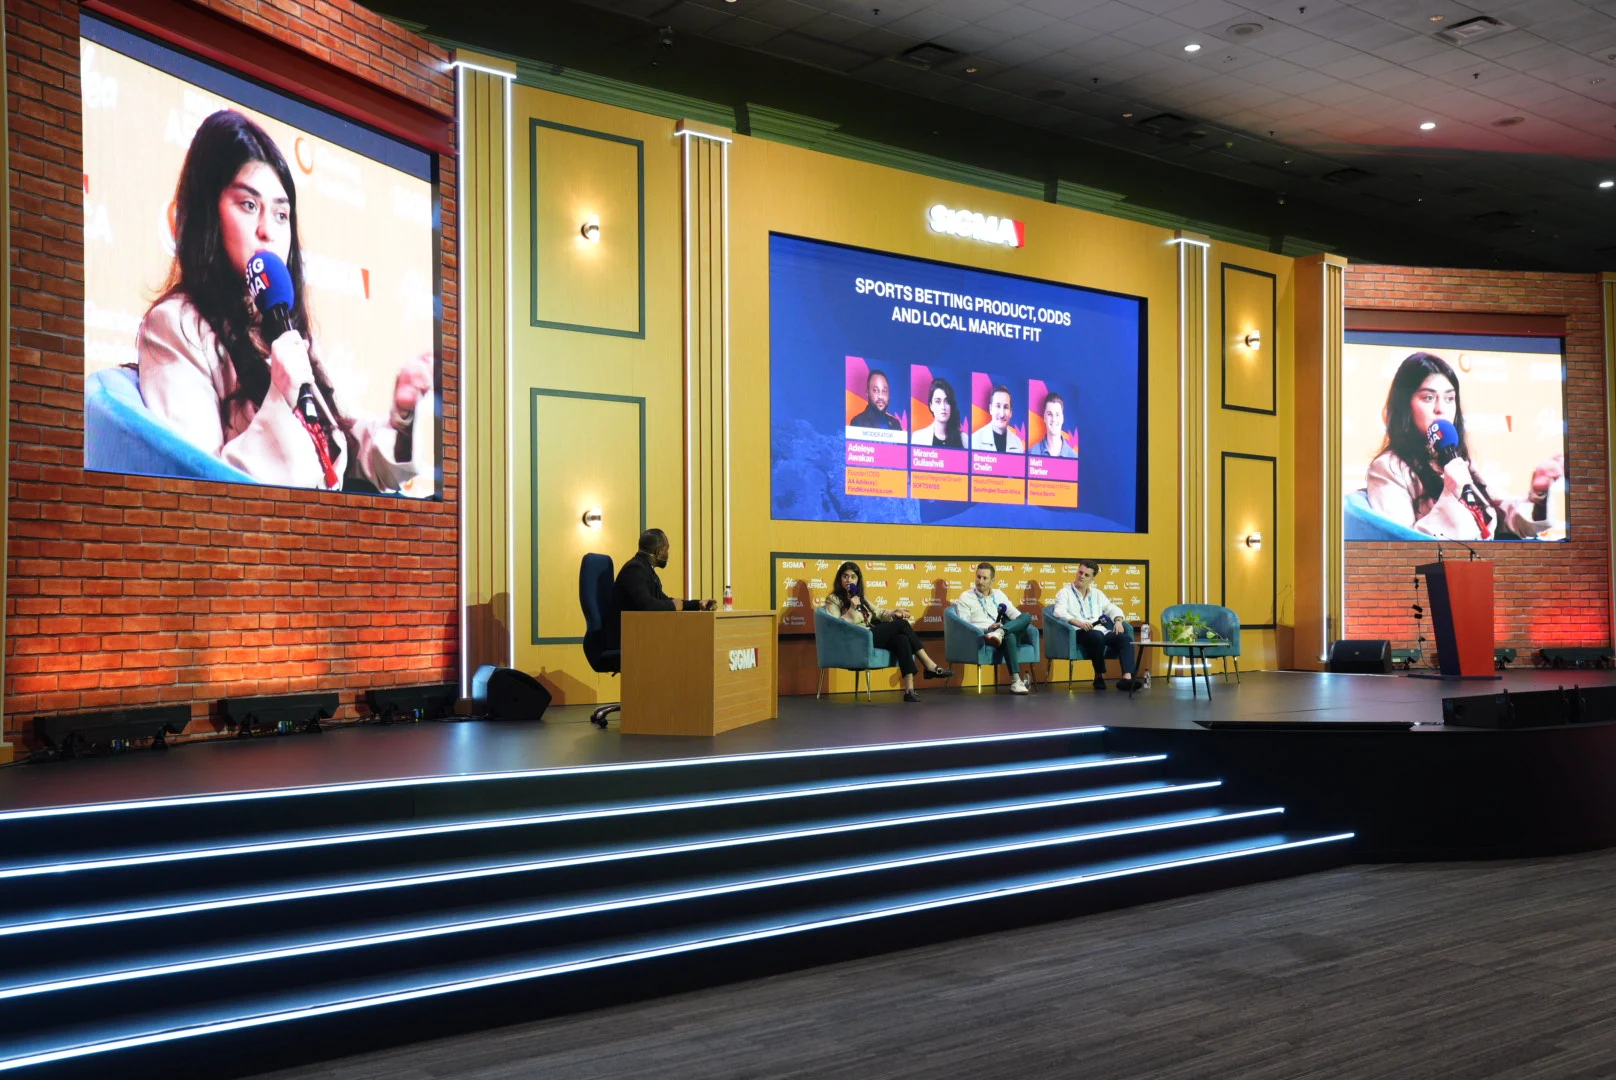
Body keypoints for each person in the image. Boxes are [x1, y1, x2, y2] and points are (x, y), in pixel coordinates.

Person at [137, 109, 432, 492]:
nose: (268, 231)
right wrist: (283, 392)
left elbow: (339, 452)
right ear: (209, 213)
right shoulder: (174, 326)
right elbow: (199, 487)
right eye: (248, 205)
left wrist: (403, 419)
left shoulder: (281, 330)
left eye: (280, 214)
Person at [1365, 352, 1562, 540]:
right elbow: (1401, 544)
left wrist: (1539, 496)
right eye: (1428, 397)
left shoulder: (1456, 460)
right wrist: (1451, 493)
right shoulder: (1387, 468)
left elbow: (1495, 521)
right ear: (1405, 405)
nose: (1440, 409)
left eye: (1449, 398)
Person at [822, 561, 951, 702]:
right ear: (840, 579)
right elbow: (837, 625)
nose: (849, 580)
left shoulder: (860, 597)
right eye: (845, 576)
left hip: (870, 633)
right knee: (902, 625)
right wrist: (852, 608)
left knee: (902, 639)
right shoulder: (833, 599)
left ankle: (909, 690)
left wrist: (894, 613)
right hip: (856, 638)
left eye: (853, 577)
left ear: (857, 580)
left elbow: (879, 612)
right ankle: (929, 665)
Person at [603, 528, 715, 652]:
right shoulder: (634, 570)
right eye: (666, 549)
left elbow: (662, 600)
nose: (667, 554)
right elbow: (648, 606)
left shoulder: (645, 569)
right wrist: (672, 606)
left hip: (640, 636)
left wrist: (697, 604)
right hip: (625, 640)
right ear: (658, 552)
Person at [1050, 559, 1140, 691]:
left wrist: (1118, 620)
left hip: (1099, 630)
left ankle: (1127, 679)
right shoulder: (1065, 592)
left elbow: (1111, 608)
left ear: (1092, 579)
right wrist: (1079, 623)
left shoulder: (1097, 594)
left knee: (1125, 639)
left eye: (1086, 575)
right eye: (1080, 572)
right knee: (1096, 636)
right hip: (1078, 632)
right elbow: (1059, 612)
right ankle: (1099, 675)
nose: (1081, 576)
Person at [952, 562, 1034, 694]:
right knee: (1010, 636)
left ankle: (1001, 632)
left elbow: (1017, 616)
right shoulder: (966, 597)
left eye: (985, 578)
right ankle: (1016, 681)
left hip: (1001, 630)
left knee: (1026, 617)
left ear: (992, 580)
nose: (980, 581)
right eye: (978, 577)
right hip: (985, 635)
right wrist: (988, 628)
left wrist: (1002, 627)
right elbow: (965, 625)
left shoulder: (999, 594)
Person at [910, 377, 965, 448]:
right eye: (938, 401)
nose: (943, 407)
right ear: (931, 406)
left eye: (947, 401)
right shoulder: (918, 437)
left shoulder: (964, 439)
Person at [969, 384, 1025, 453]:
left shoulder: (1018, 444)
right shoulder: (974, 441)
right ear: (990, 409)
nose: (1002, 414)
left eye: (1006, 407)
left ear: (1011, 412)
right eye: (998, 406)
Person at [1029, 392, 1078, 458]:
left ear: (1062, 418)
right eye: (1049, 414)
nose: (1054, 419)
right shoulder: (1032, 453)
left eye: (1057, 414)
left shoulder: (1074, 457)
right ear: (1044, 417)